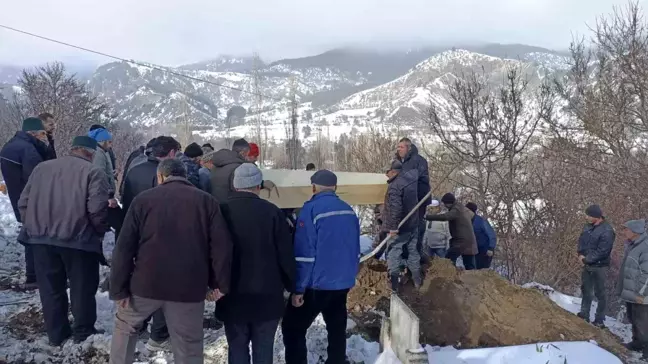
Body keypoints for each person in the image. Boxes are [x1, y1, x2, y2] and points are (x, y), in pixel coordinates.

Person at [109, 158, 233, 364]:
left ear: (160, 176)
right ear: (185, 177)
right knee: (189, 345)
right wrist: (220, 284)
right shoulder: (206, 201)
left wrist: (118, 289)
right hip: (188, 288)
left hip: (145, 283)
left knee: (125, 329)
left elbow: (124, 247)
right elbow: (221, 247)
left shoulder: (142, 200)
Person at [17, 136, 110, 345]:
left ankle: (56, 335)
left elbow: (23, 203)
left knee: (50, 289)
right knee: (82, 287)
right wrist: (99, 231)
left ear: (73, 149)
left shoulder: (42, 168)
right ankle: (83, 333)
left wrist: (34, 225)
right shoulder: (94, 172)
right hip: (78, 240)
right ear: (91, 153)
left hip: (40, 240)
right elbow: (97, 210)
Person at [217, 163, 295, 364]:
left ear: (235, 186)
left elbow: (212, 251)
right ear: (258, 186)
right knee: (263, 349)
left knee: (237, 349)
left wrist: (212, 284)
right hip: (267, 295)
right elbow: (285, 254)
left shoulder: (220, 211)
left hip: (232, 294)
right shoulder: (273, 213)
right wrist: (293, 286)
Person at [282, 169, 360, 364]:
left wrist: (298, 289)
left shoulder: (310, 210)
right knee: (336, 328)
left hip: (317, 284)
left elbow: (304, 254)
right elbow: (354, 248)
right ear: (335, 187)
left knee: (293, 328)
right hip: (341, 282)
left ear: (314, 187)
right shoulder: (348, 210)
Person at [119, 136, 180, 350]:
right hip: (161, 238)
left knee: (142, 283)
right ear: (171, 153)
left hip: (136, 235)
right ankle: (160, 335)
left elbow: (124, 200)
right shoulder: (166, 176)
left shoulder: (134, 170)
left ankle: (139, 325)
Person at [0, 117, 50, 289]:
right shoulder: (28, 150)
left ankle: (33, 274)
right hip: (33, 202)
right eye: (43, 133)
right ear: (33, 133)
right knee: (36, 239)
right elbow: (38, 178)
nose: (45, 136)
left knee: (30, 235)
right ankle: (35, 276)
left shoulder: (11, 146)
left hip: (19, 200)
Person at [381, 160, 421, 291]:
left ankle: (394, 286)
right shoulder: (412, 181)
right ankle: (417, 281)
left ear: (393, 172)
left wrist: (393, 227)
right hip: (413, 224)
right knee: (413, 251)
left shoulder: (395, 186)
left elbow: (396, 209)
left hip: (399, 227)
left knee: (393, 253)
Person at [576, 204, 615, 327]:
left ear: (596, 216)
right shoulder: (588, 227)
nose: (586, 217)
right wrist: (580, 255)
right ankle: (584, 314)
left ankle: (599, 319)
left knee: (600, 293)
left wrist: (587, 259)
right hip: (586, 263)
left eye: (588, 215)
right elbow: (582, 241)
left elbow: (603, 251)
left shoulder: (607, 230)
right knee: (586, 290)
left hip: (599, 266)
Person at [395, 137, 430, 261]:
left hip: (418, 199)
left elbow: (414, 179)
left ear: (409, 148)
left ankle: (416, 256)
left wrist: (398, 177)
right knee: (405, 227)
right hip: (405, 199)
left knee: (416, 227)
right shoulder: (400, 161)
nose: (399, 149)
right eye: (398, 147)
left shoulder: (418, 161)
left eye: (402, 147)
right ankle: (406, 256)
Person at [617, 219, 648, 357]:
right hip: (631, 291)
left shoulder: (645, 246)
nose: (624, 232)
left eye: (626, 229)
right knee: (633, 319)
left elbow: (646, 274)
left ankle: (646, 351)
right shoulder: (632, 245)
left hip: (640, 293)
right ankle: (637, 343)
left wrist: (641, 294)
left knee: (643, 322)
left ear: (635, 232)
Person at [210, 138, 276, 202]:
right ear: (242, 153)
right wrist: (261, 184)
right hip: (230, 207)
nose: (248, 158)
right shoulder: (237, 168)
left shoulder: (217, 164)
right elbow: (243, 188)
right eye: (247, 155)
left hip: (217, 205)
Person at [425, 193, 478, 270]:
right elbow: (472, 216)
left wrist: (428, 217)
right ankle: (471, 278)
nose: (445, 206)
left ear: (449, 203)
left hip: (461, 241)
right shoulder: (461, 207)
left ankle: (450, 275)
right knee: (468, 262)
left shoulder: (456, 209)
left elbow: (446, 216)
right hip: (467, 240)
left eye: (445, 204)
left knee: (449, 259)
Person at [89, 127, 123, 238]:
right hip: (104, 196)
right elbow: (99, 175)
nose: (110, 145)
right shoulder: (98, 153)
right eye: (109, 142)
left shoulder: (102, 152)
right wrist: (108, 195)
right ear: (102, 141)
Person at [465, 202, 496, 269]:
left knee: (482, 270)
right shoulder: (466, 222)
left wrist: (490, 248)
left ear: (471, 211)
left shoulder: (481, 221)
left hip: (485, 251)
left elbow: (491, 235)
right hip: (474, 250)